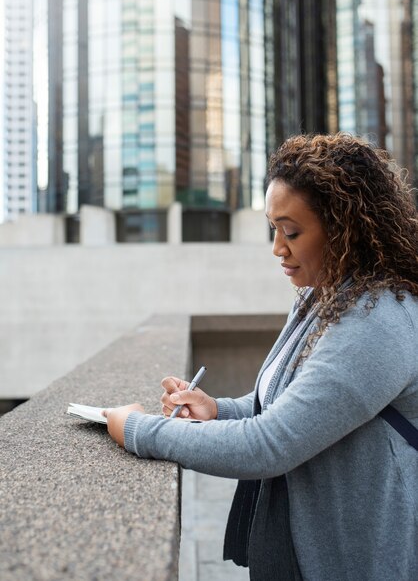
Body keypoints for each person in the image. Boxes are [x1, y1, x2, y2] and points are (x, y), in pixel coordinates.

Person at [105, 133, 418, 581]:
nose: (278, 248)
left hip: (356, 559)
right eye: (273, 229)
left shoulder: (378, 320)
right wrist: (216, 410)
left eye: (291, 232)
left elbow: (269, 445)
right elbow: (279, 405)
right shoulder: (324, 296)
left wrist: (137, 430)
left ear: (345, 226)